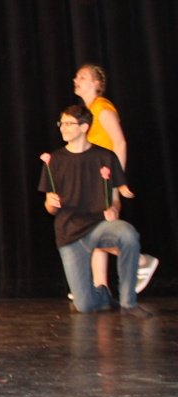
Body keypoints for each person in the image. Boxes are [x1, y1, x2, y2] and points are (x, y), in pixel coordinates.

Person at [39, 105, 149, 316]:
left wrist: (114, 209)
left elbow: (115, 199)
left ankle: (128, 302)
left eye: (68, 123)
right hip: (69, 233)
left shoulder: (105, 157)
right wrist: (51, 203)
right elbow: (50, 208)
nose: (63, 128)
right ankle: (103, 295)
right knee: (85, 306)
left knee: (127, 234)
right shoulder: (54, 161)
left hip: (99, 226)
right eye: (61, 123)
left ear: (84, 127)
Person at [72, 64, 158, 293]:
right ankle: (100, 287)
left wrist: (116, 179)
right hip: (95, 179)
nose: (76, 79)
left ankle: (140, 261)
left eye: (83, 76)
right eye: (77, 76)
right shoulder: (88, 111)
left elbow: (119, 142)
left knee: (87, 231)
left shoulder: (102, 107)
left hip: (104, 178)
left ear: (97, 84)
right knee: (99, 230)